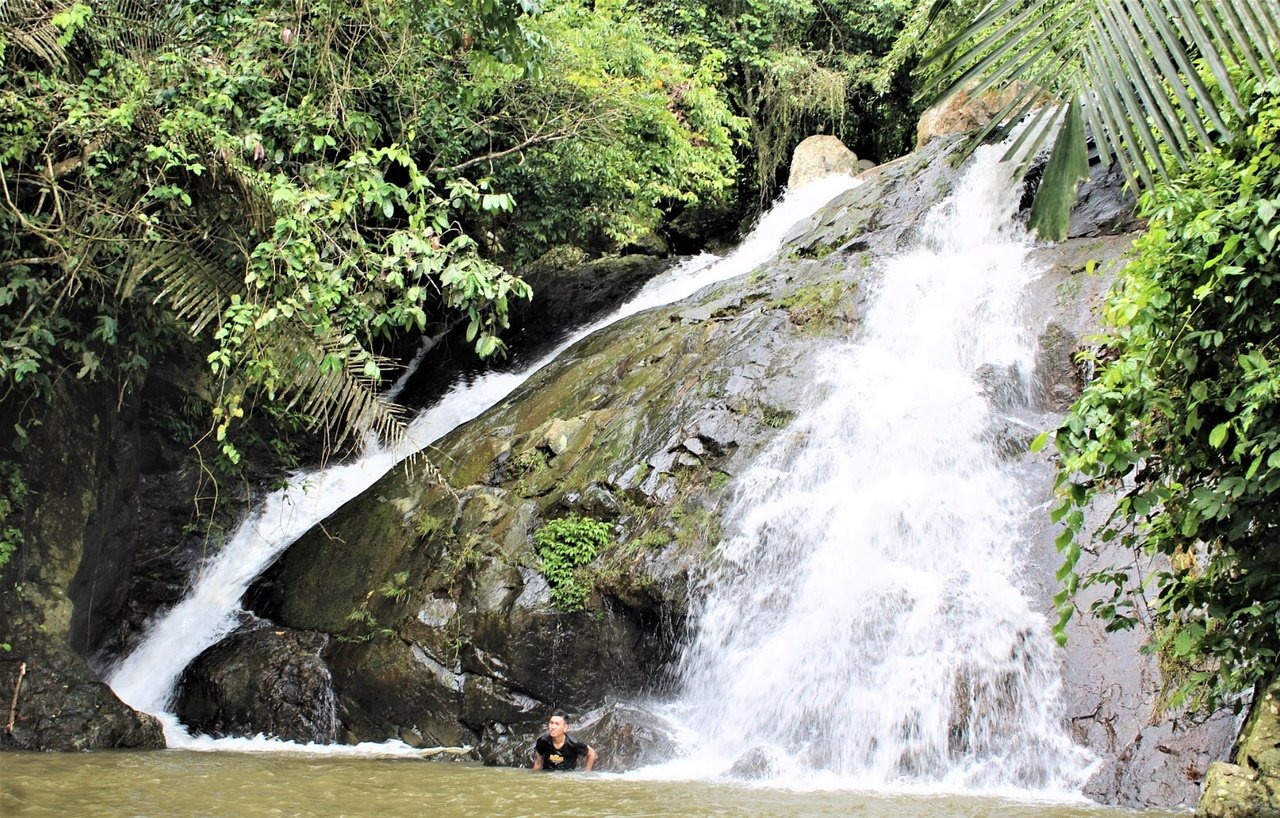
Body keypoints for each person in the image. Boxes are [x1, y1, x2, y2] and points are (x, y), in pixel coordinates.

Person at [531, 710, 597, 771]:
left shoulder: (573, 743)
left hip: (566, 777)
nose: (553, 727)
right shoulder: (543, 741)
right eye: (551, 723)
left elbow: (592, 753)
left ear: (565, 728)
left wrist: (586, 773)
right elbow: (538, 764)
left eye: (557, 724)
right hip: (548, 776)